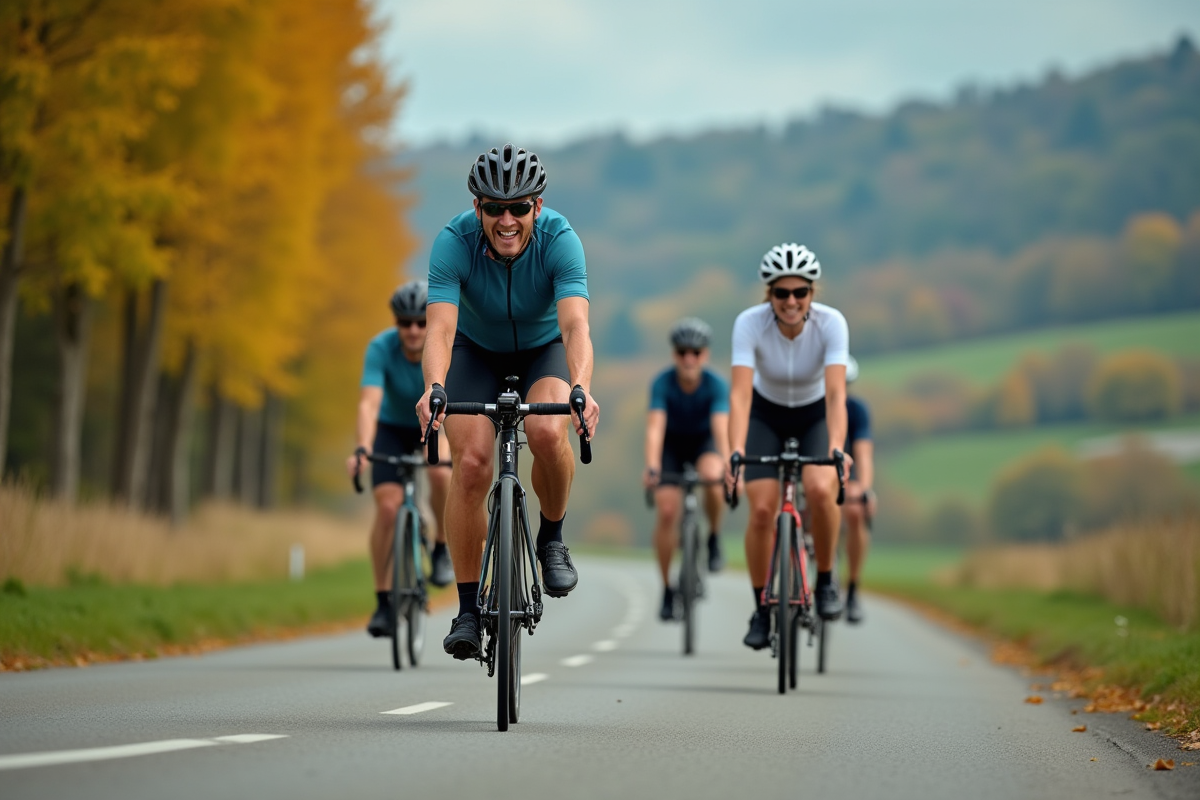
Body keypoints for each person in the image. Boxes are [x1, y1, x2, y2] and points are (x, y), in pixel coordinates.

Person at [416, 143, 601, 661]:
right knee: (472, 464)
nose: (506, 219)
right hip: (474, 351)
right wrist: (434, 387)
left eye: (518, 207)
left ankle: (552, 537)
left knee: (546, 431)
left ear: (536, 208)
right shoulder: (454, 242)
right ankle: (469, 610)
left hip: (544, 351)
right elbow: (440, 328)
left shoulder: (560, 240)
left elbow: (575, 325)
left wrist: (581, 386)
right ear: (477, 208)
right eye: (494, 208)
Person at [726, 243, 853, 650]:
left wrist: (836, 448)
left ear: (812, 293)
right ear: (770, 295)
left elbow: (836, 396)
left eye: (800, 292)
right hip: (766, 414)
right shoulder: (749, 323)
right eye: (782, 293)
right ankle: (761, 608)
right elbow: (741, 397)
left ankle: (828, 580)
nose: (791, 301)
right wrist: (733, 451)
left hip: (815, 413)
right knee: (762, 509)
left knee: (819, 489)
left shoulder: (832, 323)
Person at [347, 280, 454, 639]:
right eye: (405, 323)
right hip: (392, 426)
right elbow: (369, 402)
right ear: (396, 324)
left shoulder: (444, 347)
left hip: (433, 421)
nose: (413, 330)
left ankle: (441, 547)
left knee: (440, 473)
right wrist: (362, 448)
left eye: (421, 322)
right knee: (389, 508)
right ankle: (383, 601)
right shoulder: (380, 348)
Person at [644, 317, 730, 621]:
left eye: (696, 352)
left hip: (703, 442)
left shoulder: (716, 384)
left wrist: (729, 462)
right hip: (671, 445)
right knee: (667, 511)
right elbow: (656, 427)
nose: (689, 358)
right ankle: (667, 588)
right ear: (674, 354)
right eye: (683, 352)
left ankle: (714, 536)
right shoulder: (662, 383)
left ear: (705, 354)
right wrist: (653, 466)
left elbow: (721, 428)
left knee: (713, 476)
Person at [842, 355, 876, 624]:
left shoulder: (857, 410)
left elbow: (863, 454)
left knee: (855, 511)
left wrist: (864, 488)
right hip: (812, 470)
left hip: (846, 473)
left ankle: (852, 587)